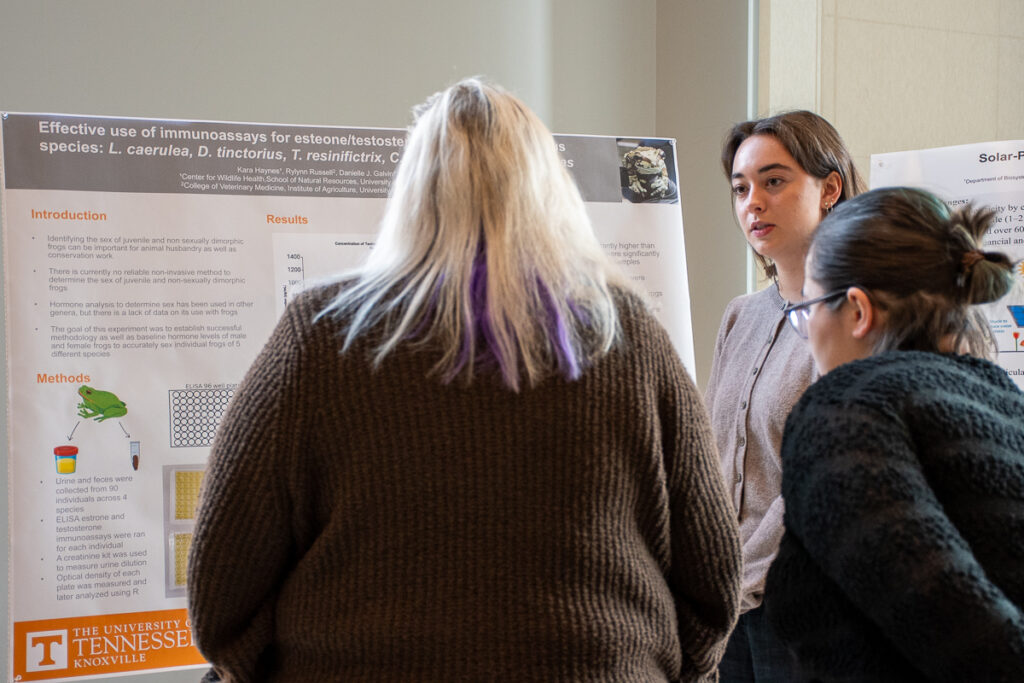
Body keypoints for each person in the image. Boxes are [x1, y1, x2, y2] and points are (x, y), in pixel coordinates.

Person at [186, 77, 742, 682]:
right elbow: (711, 577)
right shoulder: (626, 334)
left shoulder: (320, 336)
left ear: (414, 190)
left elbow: (222, 593)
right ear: (549, 188)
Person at [765, 186, 1024, 681]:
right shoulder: (1002, 394)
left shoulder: (846, 408)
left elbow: (959, 624)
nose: (807, 328)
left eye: (809, 306)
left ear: (858, 310)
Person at [705, 111, 863, 681]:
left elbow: (818, 476)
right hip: (723, 604)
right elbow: (716, 459)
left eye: (774, 182)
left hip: (800, 602)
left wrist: (739, 576)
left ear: (829, 188)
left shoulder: (855, 315)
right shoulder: (739, 315)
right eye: (741, 188)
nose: (753, 202)